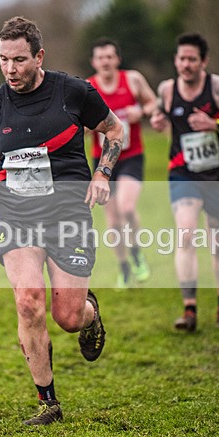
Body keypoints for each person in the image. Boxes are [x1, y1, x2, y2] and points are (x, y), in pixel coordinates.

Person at [0, 17, 124, 425]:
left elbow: (115, 131)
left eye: (19, 59)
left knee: (68, 318)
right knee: (27, 302)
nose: (10, 69)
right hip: (18, 215)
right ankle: (47, 402)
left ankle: (89, 313)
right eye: (3, 60)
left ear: (39, 56)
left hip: (68, 214)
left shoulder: (73, 91)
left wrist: (102, 173)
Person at [150, 33, 219, 332]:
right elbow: (159, 113)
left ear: (204, 61)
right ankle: (189, 309)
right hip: (183, 172)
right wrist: (158, 120)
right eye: (181, 59)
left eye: (192, 60)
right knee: (185, 233)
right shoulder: (168, 89)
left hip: (218, 174)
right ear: (175, 60)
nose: (185, 65)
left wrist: (218, 125)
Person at [87, 38, 158, 288]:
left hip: (131, 156)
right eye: (100, 57)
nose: (105, 61)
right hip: (104, 160)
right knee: (113, 220)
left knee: (127, 207)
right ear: (94, 62)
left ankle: (137, 252)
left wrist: (142, 111)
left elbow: (153, 102)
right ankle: (124, 267)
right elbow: (80, 124)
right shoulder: (88, 87)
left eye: (109, 56)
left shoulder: (133, 80)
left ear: (117, 59)